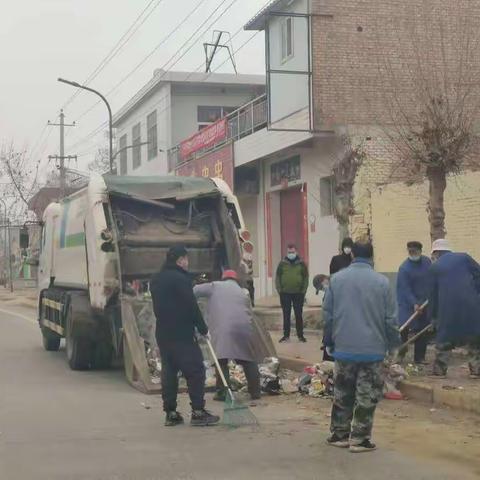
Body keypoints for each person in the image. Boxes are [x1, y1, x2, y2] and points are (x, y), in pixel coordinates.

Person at [323, 242, 400, 453]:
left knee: (342, 392)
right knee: (366, 395)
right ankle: (360, 439)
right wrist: (394, 344)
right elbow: (390, 319)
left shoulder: (336, 280)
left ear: (353, 254)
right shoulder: (383, 283)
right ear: (372, 256)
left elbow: (328, 316)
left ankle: (339, 434)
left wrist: (329, 341)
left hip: (344, 348)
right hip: (372, 350)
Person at [150, 244, 220, 427]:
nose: (187, 263)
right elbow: (191, 306)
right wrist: (203, 328)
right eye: (186, 259)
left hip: (163, 334)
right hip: (181, 333)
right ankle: (198, 412)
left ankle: (171, 413)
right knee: (196, 370)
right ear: (180, 259)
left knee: (169, 372)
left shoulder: (156, 279)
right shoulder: (181, 279)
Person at [194, 270, 262, 401]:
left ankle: (223, 392)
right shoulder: (242, 292)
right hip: (245, 327)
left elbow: (195, 290)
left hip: (224, 327)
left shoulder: (215, 286)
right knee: (247, 359)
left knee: (221, 359)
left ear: (223, 278)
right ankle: (255, 391)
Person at [428, 239, 480, 379]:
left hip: (448, 307)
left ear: (436, 253)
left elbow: (432, 295)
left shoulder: (435, 267)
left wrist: (433, 317)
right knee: (474, 338)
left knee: (444, 339)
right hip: (472, 306)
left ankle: (439, 370)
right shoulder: (465, 257)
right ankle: (476, 370)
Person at [396, 241, 431, 364]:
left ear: (420, 251)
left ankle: (419, 358)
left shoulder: (427, 262)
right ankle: (400, 354)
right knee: (404, 330)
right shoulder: (404, 268)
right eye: (410, 252)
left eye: (415, 252)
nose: (412, 254)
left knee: (422, 330)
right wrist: (414, 303)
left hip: (424, 302)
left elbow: (431, 279)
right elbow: (405, 289)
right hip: (407, 304)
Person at [275, 244, 309, 343]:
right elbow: (277, 278)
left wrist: (303, 291)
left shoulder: (301, 264)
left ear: (296, 252)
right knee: (286, 315)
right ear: (287, 252)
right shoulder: (282, 264)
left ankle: (300, 335)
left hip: (298, 293)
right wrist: (279, 290)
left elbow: (306, 278)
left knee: (298, 314)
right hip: (285, 293)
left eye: (292, 252)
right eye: (289, 252)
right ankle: (286, 336)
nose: (291, 254)